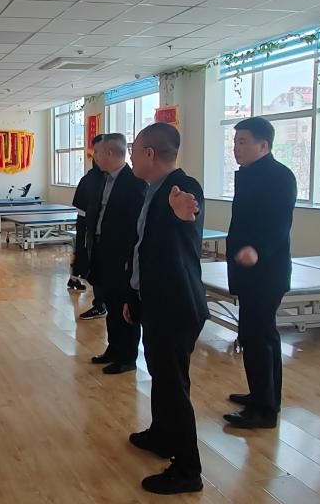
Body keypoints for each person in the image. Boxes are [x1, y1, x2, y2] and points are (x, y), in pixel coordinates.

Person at [125, 123, 207, 495]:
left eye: (134, 151)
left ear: (149, 154)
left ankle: (187, 469)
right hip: (156, 300)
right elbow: (143, 249)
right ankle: (162, 435)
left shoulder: (182, 188)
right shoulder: (152, 189)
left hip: (176, 304)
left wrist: (182, 214)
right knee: (160, 373)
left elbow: (188, 224)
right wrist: (134, 297)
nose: (130, 158)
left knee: (174, 385)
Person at [223, 117, 296, 429]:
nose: (235, 148)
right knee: (255, 336)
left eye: (242, 141)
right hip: (247, 270)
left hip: (266, 271)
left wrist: (257, 250)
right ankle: (261, 395)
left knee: (259, 337)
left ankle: (265, 411)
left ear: (263, 145)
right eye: (235, 141)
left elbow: (279, 224)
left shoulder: (280, 177)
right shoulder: (249, 174)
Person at [87, 133, 147, 375]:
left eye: (98, 153)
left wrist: (128, 259)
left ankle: (127, 356)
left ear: (110, 154)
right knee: (111, 303)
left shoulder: (134, 182)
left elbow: (135, 226)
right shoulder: (105, 179)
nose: (95, 157)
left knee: (124, 305)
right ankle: (113, 348)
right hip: (104, 250)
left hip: (122, 256)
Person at [70, 134, 107, 321]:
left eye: (101, 152)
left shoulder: (117, 179)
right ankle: (98, 302)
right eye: (96, 152)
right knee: (86, 255)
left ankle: (101, 302)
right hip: (88, 226)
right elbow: (81, 206)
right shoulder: (91, 178)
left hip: (104, 231)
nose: (97, 156)